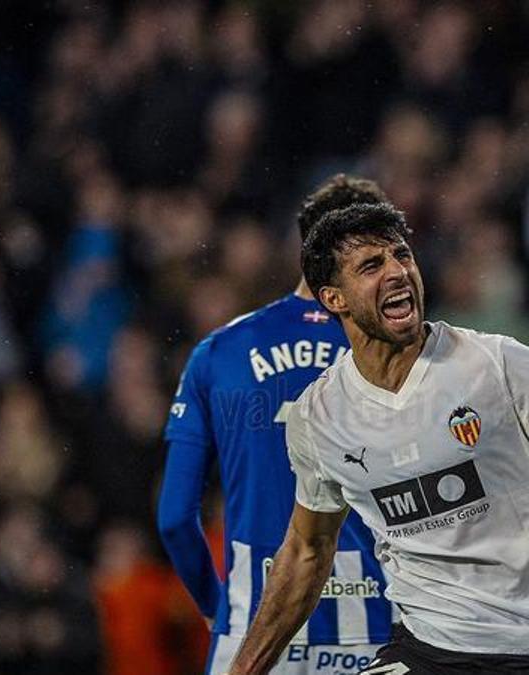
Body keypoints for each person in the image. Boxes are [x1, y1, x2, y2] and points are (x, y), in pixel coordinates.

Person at [230, 203, 529, 674]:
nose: (397, 272)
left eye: (402, 256)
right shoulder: (319, 416)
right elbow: (308, 550)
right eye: (372, 265)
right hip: (428, 647)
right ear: (334, 298)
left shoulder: (497, 362)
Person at [158, 175, 397, 674]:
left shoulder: (219, 352)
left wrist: (213, 607)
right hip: (372, 629)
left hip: (254, 628)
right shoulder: (395, 354)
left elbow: (176, 517)